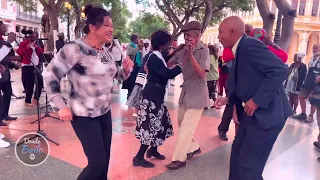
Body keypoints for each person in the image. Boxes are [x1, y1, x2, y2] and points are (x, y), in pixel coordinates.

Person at [42, 5, 133, 180]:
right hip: (83, 115)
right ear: (92, 27)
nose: (111, 29)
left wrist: (125, 71)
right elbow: (50, 75)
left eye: (112, 26)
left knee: (105, 161)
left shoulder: (104, 51)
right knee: (97, 163)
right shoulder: (74, 48)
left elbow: (112, 76)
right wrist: (60, 105)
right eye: (107, 25)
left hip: (104, 112)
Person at [215, 16, 291, 180]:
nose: (218, 36)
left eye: (221, 32)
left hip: (267, 117)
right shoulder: (240, 48)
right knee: (237, 159)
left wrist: (256, 100)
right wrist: (228, 99)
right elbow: (245, 81)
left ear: (232, 32)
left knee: (248, 167)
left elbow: (280, 70)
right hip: (251, 116)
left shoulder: (249, 45)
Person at [133, 30, 182, 168]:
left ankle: (153, 150)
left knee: (161, 124)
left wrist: (177, 50)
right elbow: (167, 73)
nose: (169, 45)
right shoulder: (153, 57)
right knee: (150, 126)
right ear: (161, 44)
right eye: (168, 43)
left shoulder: (158, 55)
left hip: (157, 95)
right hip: (152, 96)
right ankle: (138, 157)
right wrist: (182, 66)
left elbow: (166, 59)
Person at [165, 21, 210, 170]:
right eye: (185, 35)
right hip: (185, 92)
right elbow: (168, 64)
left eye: (189, 35)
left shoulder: (204, 50)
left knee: (186, 128)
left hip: (198, 94)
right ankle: (193, 147)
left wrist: (191, 55)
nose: (186, 38)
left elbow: (201, 73)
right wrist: (175, 50)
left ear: (198, 36)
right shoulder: (182, 49)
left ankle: (179, 159)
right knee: (180, 121)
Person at [293, 43, 320, 123]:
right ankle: (303, 113)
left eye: (316, 48)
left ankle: (311, 116)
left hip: (316, 83)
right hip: (308, 81)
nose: (314, 49)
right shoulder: (312, 58)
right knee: (301, 96)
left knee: (313, 99)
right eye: (313, 48)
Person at [17, 29, 44, 107]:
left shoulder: (35, 43)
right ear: (28, 37)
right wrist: (27, 47)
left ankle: (36, 99)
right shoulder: (23, 43)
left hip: (35, 65)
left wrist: (36, 47)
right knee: (30, 84)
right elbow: (20, 52)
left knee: (40, 81)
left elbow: (41, 51)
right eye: (32, 37)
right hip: (27, 66)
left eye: (35, 37)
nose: (34, 39)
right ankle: (27, 101)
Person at [123, 34, 142, 99]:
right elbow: (132, 52)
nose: (139, 40)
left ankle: (134, 95)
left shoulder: (138, 47)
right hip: (132, 67)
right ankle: (129, 94)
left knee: (136, 81)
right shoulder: (130, 45)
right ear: (135, 39)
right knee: (131, 81)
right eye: (138, 38)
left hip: (138, 66)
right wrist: (138, 47)